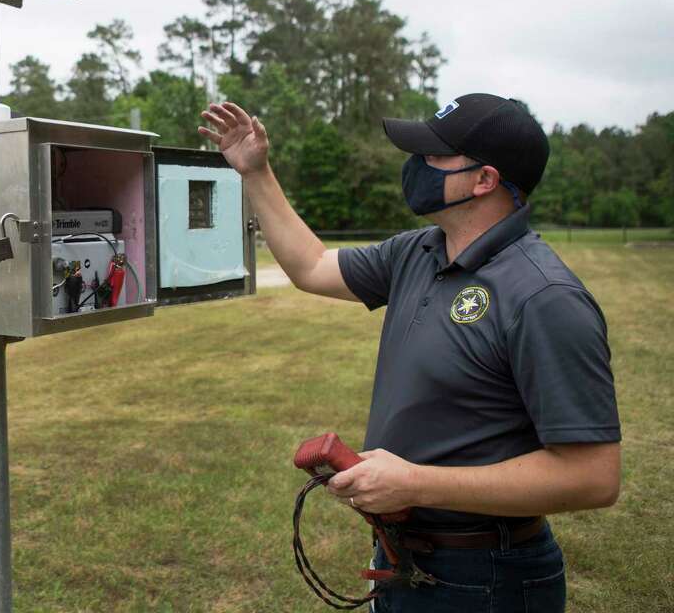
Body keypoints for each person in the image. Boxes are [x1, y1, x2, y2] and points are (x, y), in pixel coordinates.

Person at [199, 94, 620, 612]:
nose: (415, 166)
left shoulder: (545, 297)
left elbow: (593, 476)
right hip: (405, 557)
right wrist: (255, 172)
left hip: (486, 576)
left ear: (484, 179)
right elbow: (310, 266)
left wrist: (413, 483)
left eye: (432, 156)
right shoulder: (417, 251)